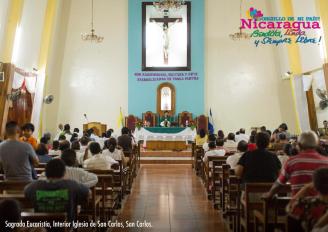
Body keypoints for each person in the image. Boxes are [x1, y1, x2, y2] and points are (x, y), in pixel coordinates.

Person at [263, 131, 328, 198]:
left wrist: (269, 194)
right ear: (317, 144)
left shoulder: (292, 162)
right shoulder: (326, 161)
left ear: (299, 145)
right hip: (323, 206)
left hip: (299, 205)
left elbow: (279, 183)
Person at [24, 159, 89, 222]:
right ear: (64, 173)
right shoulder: (72, 185)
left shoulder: (34, 186)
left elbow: (26, 193)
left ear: (46, 173)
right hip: (66, 225)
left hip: (42, 226)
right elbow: (87, 193)